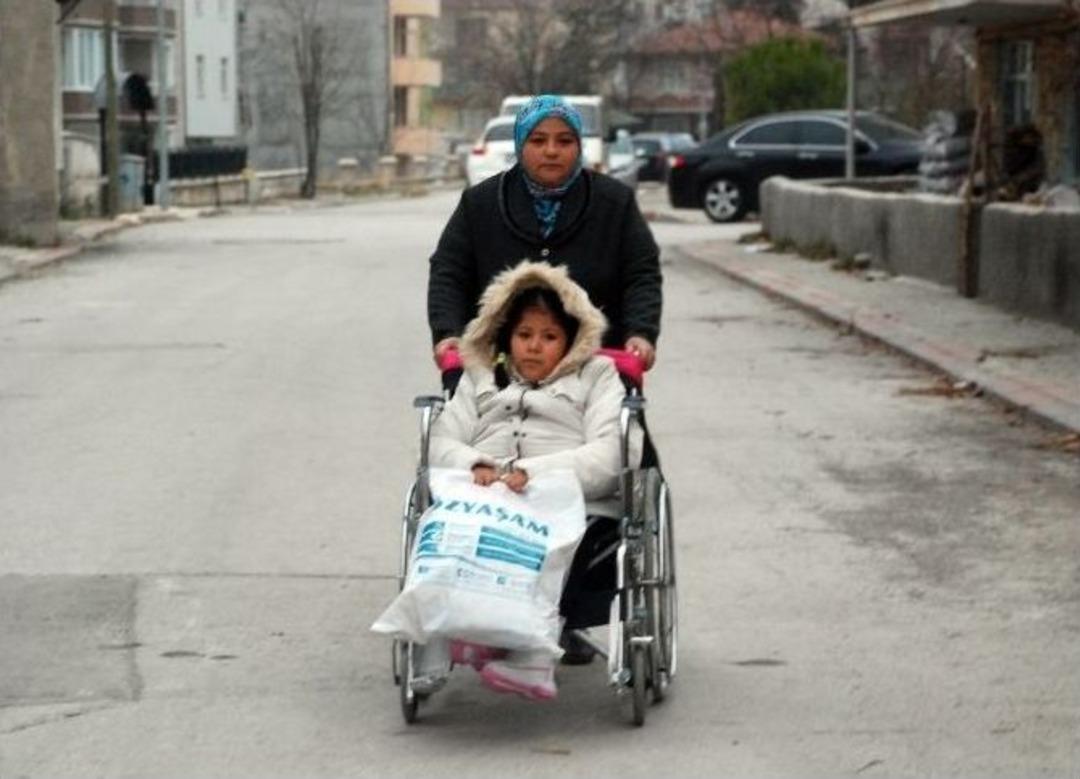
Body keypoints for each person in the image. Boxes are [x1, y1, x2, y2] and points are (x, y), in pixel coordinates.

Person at [416, 260, 642, 701]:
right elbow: (441, 441)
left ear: (572, 340)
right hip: (486, 493)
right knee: (445, 527)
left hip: (565, 499)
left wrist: (534, 474)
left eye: (549, 337)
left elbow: (616, 451)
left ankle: (531, 656)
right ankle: (454, 637)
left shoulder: (597, 377)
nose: (534, 348)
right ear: (505, 337)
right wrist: (476, 464)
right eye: (524, 336)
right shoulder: (480, 377)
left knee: (542, 539)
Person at [428, 94, 663, 373]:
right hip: (496, 368)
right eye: (538, 141)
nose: (551, 151)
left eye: (564, 141)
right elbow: (449, 273)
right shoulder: (480, 204)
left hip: (595, 368)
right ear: (520, 143)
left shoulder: (614, 202)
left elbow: (641, 274)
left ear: (578, 145)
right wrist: (448, 333)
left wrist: (640, 332)